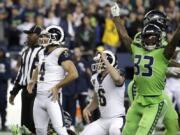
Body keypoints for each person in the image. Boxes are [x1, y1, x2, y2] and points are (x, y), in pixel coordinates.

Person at [111, 3, 180, 135]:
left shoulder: (159, 47)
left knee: (171, 123)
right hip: (140, 91)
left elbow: (161, 59)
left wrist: (173, 66)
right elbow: (125, 38)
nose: (150, 40)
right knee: (132, 130)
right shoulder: (138, 44)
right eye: (162, 22)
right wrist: (116, 18)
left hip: (155, 95)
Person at [27, 25, 78, 135]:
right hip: (39, 97)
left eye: (46, 36)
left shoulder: (61, 52)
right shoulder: (42, 52)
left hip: (52, 98)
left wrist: (57, 86)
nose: (43, 39)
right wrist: (33, 80)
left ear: (55, 38)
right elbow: (40, 66)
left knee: (60, 129)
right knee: (40, 131)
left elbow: (74, 74)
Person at [80, 50, 125, 135]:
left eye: (100, 61)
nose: (97, 63)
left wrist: (105, 60)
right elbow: (97, 100)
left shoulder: (118, 72)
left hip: (117, 118)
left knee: (115, 131)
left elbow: (117, 79)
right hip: (103, 120)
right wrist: (88, 108)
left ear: (109, 61)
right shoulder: (95, 78)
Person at [9, 25, 43, 134]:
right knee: (25, 123)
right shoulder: (25, 51)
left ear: (38, 36)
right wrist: (14, 92)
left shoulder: (44, 52)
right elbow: (21, 74)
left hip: (38, 91)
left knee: (36, 123)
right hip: (25, 91)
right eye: (27, 35)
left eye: (31, 35)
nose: (28, 37)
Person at [0, 48, 11, 131]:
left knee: (3, 107)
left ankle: (3, 124)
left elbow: (8, 76)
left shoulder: (6, 63)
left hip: (2, 89)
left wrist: (1, 75)